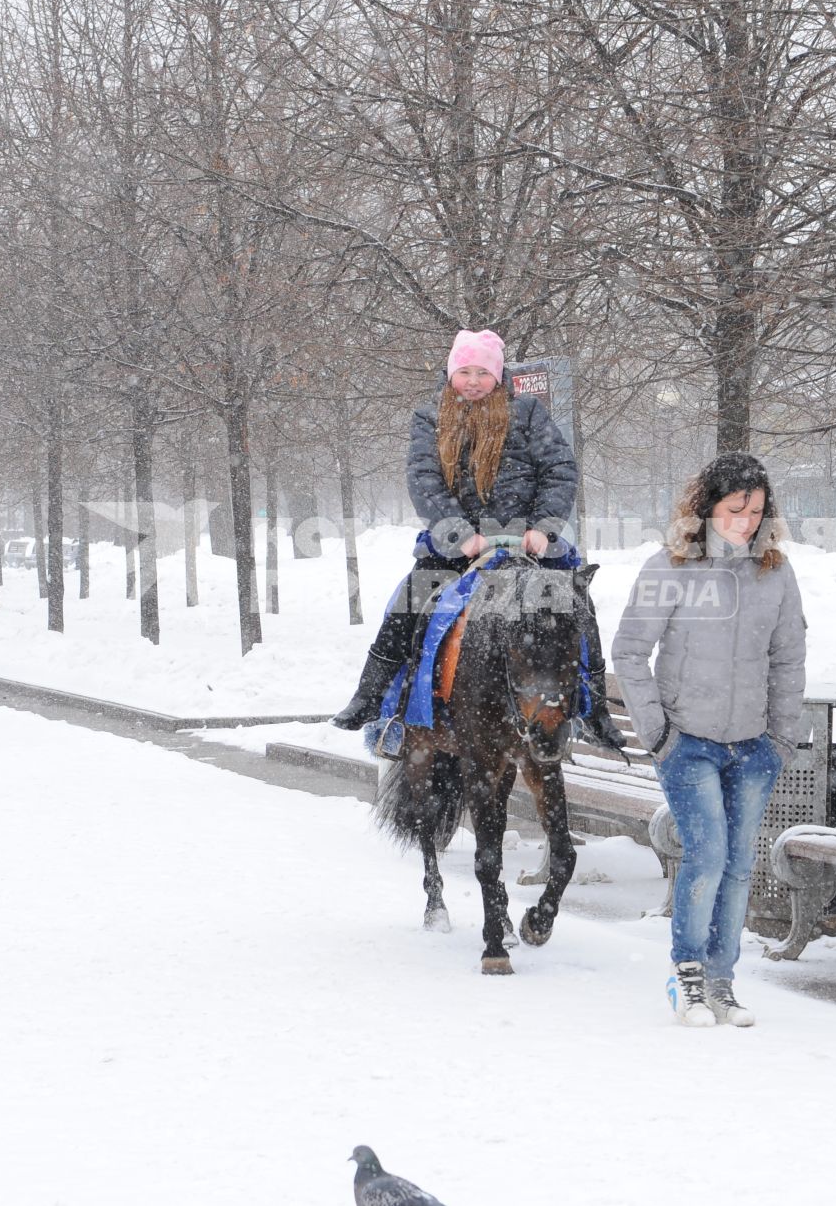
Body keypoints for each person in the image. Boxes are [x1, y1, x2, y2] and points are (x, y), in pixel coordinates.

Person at [330, 329, 627, 751]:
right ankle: (371, 694)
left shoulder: (527, 412)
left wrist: (542, 529)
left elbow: (560, 470)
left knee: (578, 604)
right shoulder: (430, 417)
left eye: (483, 372)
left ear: (499, 375)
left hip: (527, 541)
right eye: (464, 371)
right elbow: (424, 479)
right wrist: (460, 535)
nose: (473, 381)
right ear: (451, 374)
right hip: (460, 544)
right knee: (411, 600)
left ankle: (594, 707)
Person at [610, 452, 807, 1028]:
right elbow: (628, 652)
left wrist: (781, 738)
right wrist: (659, 735)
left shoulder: (776, 572)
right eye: (733, 509)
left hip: (753, 747)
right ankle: (688, 977)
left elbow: (788, 658)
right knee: (708, 857)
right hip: (687, 741)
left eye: (756, 510)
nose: (745, 521)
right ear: (707, 508)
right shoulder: (668, 567)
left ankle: (723, 982)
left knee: (741, 865)